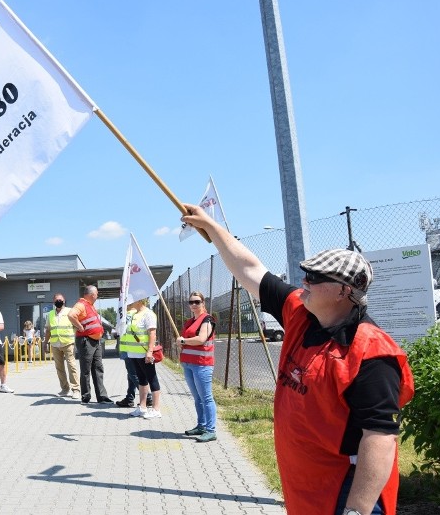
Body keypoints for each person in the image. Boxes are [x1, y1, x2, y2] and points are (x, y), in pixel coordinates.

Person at [181, 203, 414, 515]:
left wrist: (356, 510)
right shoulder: (300, 313)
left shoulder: (371, 353)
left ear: (343, 291)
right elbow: (250, 269)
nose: (304, 282)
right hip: (306, 486)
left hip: (344, 491)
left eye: (314, 277)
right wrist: (211, 226)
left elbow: (380, 438)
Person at [177, 291, 218, 442]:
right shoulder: (190, 321)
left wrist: (182, 341)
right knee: (197, 398)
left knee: (206, 398)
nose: (194, 304)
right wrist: (181, 341)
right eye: (191, 302)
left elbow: (201, 339)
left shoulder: (207, 320)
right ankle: (201, 425)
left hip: (202, 364)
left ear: (203, 303)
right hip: (188, 364)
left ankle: (211, 430)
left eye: (197, 302)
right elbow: (186, 339)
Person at [118, 298, 162, 418]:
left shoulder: (148, 314)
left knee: (152, 379)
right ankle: (142, 407)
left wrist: (150, 351)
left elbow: (152, 334)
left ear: (139, 301)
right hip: (134, 354)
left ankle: (156, 409)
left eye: (132, 299)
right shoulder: (134, 314)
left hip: (144, 353)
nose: (129, 302)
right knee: (142, 380)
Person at [68, 285, 112, 404]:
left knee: (98, 368)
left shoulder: (91, 306)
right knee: (86, 369)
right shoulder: (81, 304)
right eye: (96, 293)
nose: (97, 296)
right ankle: (86, 397)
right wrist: (79, 326)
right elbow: (71, 315)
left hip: (95, 341)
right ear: (92, 294)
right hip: (86, 340)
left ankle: (102, 397)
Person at [44, 293, 79, 399]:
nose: (58, 301)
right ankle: (65, 389)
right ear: (53, 302)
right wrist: (45, 342)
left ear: (64, 301)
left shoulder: (70, 311)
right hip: (55, 344)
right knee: (59, 368)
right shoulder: (50, 314)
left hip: (68, 343)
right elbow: (48, 330)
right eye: (56, 300)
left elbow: (76, 325)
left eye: (60, 300)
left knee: (71, 366)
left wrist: (75, 338)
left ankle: (76, 389)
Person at [116, 309, 153, 409]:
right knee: (131, 374)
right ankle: (130, 398)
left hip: (129, 349)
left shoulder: (126, 314)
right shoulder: (133, 313)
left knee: (133, 374)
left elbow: (119, 329)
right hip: (131, 348)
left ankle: (148, 397)